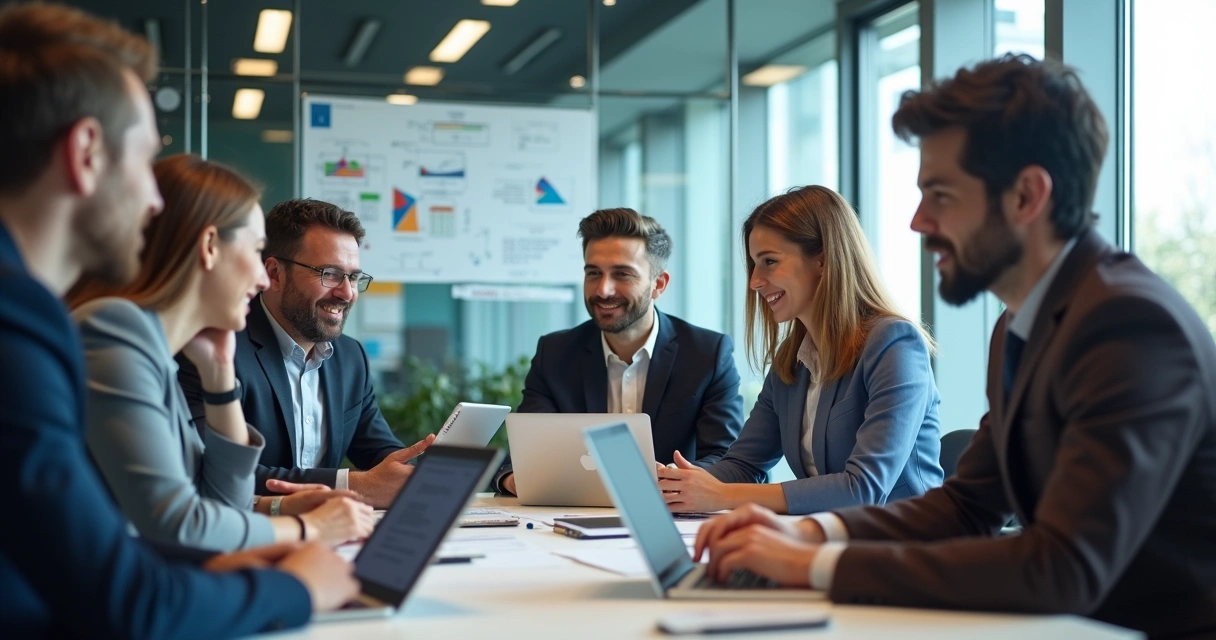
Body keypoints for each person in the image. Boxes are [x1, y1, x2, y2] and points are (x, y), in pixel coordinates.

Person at [694, 54, 1216, 638]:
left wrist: (816, 565)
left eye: (940, 195)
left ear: (1026, 196)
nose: (918, 221)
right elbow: (967, 505)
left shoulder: (1129, 325)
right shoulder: (1019, 327)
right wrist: (813, 532)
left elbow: (1062, 567)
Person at [0, 3, 357, 637]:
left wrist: (220, 379)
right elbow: (140, 584)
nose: (154, 197)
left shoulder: (125, 339)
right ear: (86, 153)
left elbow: (200, 513)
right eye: (143, 160)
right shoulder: (40, 322)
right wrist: (301, 574)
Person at [70, 154, 375, 551]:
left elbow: (218, 501)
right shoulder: (114, 331)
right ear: (210, 247)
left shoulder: (162, 349)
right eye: (255, 252)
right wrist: (309, 529)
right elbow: (180, 524)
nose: (263, 278)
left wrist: (218, 374)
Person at [658, 186, 943, 515]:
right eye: (754, 264)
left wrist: (722, 496)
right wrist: (671, 481)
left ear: (822, 260)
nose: (754, 281)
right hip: (826, 535)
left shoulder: (894, 343)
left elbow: (863, 489)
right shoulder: (791, 363)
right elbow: (743, 465)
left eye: (769, 261)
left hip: (904, 538)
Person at [177, 198, 431, 509]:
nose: (347, 292)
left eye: (353, 277)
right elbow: (213, 471)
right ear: (275, 274)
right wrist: (355, 485)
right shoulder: (214, 349)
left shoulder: (350, 357)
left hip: (330, 530)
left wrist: (416, 471)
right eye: (330, 273)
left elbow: (380, 452)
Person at [495, 208, 745, 496]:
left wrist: (672, 479)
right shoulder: (554, 354)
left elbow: (726, 459)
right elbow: (524, 453)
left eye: (622, 274)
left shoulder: (707, 354)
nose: (603, 290)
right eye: (593, 273)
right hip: (570, 512)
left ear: (658, 284)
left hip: (669, 511)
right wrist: (514, 478)